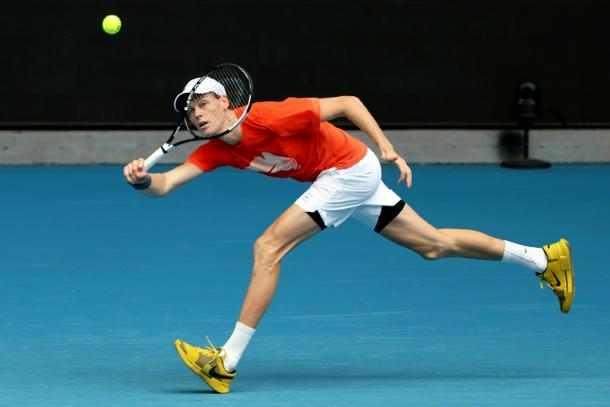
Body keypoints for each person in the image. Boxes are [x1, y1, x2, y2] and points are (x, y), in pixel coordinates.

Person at [123, 77, 574, 394]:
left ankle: (226, 362)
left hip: (347, 170)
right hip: (344, 176)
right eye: (190, 109)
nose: (196, 113)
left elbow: (347, 103)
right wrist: (144, 181)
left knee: (268, 248)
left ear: (225, 101)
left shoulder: (270, 116)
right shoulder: (218, 150)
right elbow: (167, 183)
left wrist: (387, 147)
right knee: (434, 246)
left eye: (202, 103)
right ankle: (543, 259)